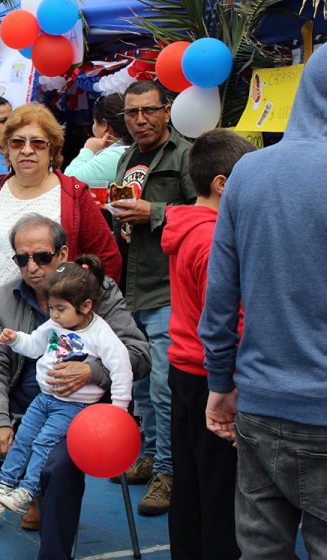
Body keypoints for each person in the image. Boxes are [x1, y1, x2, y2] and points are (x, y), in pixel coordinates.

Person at [0, 214, 150, 560]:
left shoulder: (97, 292)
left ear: (63, 253)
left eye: (41, 256)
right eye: (21, 258)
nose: (32, 266)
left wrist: (91, 371)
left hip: (81, 416)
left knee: (60, 464)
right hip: (18, 410)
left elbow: (140, 355)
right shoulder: (5, 297)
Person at [0, 102, 122, 534]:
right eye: (17, 142)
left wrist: (82, 319)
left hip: (56, 331)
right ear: (6, 149)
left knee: (51, 414)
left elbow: (107, 262)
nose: (27, 150)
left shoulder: (73, 195)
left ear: (53, 149)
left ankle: (40, 493)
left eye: (37, 143)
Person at [199, 46, 327, 559]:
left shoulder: (248, 174)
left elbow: (221, 300)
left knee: (260, 548)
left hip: (261, 403)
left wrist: (219, 384)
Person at [161, 129, 253, 559]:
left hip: (183, 367)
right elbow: (228, 317)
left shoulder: (185, 225)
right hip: (213, 375)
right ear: (222, 184)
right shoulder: (216, 237)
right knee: (220, 491)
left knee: (191, 482)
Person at [0, 255, 132, 516]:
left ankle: (27, 491)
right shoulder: (55, 324)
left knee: (44, 443)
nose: (53, 315)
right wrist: (15, 339)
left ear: (85, 306)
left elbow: (121, 367)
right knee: (24, 440)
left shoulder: (100, 333)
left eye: (60, 309)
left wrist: (118, 410)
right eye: (52, 308)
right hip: (44, 399)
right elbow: (34, 345)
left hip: (73, 406)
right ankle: (5, 485)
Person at [110, 79, 195, 516]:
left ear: (167, 110)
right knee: (140, 383)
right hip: (130, 288)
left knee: (164, 387)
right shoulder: (127, 157)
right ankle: (149, 454)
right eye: (131, 113)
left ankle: (169, 471)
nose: (140, 120)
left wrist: (155, 213)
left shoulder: (184, 154)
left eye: (149, 111)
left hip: (167, 287)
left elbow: (206, 214)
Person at [64, 93, 132, 185]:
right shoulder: (133, 149)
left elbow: (69, 183)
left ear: (104, 125)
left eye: (94, 122)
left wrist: (88, 150)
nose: (93, 127)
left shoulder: (113, 156)